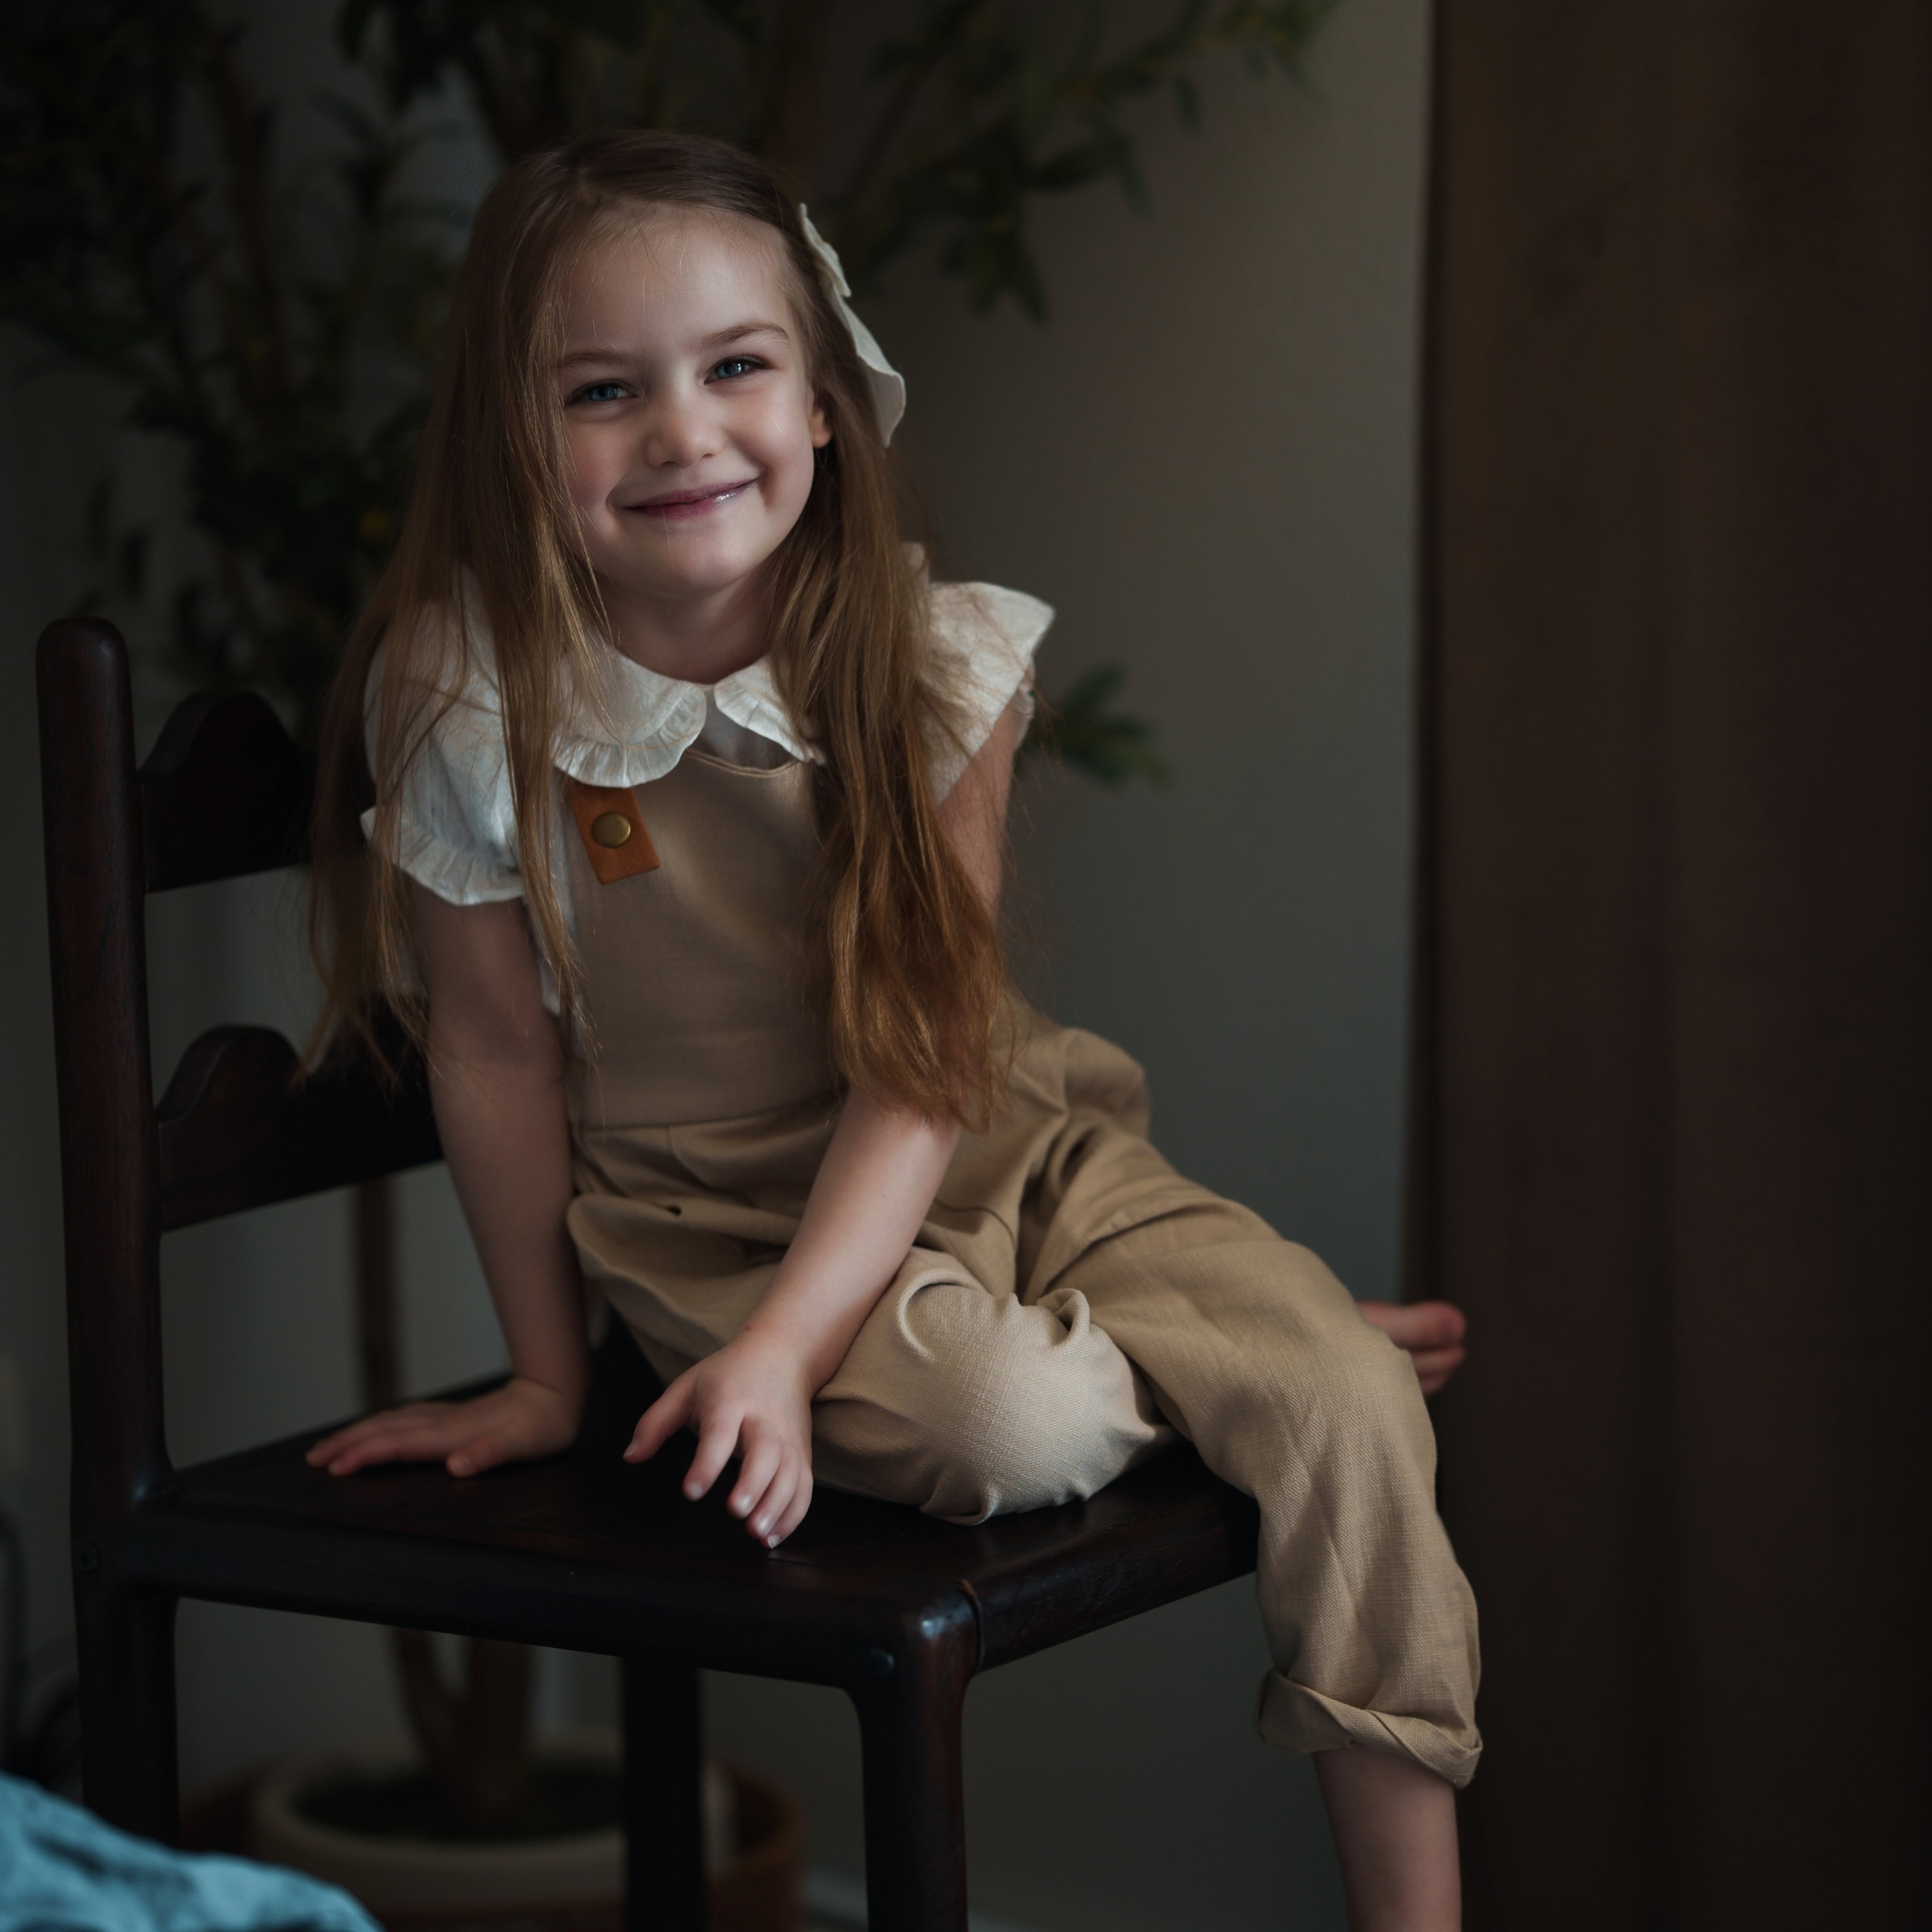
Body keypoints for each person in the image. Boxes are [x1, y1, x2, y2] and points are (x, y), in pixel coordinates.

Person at [306, 130, 1478, 1929]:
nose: (685, 433)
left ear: (830, 401)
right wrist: (564, 1370)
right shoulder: (469, 695)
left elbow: (924, 1063)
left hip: (997, 1131)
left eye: (737, 367)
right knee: (1010, 1424)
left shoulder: (936, 666)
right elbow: (492, 1050)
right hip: (716, 1222)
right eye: (604, 391)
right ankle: (1233, 1351)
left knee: (1347, 1417)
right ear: (512, 440)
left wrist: (802, 1353)